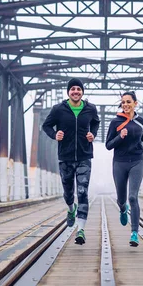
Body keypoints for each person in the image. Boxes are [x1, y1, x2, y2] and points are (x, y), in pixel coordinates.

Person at [42, 78, 100, 245]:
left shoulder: (90, 109)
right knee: (68, 193)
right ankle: (71, 209)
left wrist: (93, 134)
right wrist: (55, 135)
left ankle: (80, 230)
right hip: (65, 157)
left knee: (82, 192)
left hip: (84, 156)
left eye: (79, 89)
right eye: (73, 89)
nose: (76, 91)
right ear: (68, 92)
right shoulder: (58, 109)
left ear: (82, 92)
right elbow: (46, 126)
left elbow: (96, 123)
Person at [105, 91, 143, 247]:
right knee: (122, 200)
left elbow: (139, 135)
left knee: (133, 197)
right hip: (119, 163)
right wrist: (119, 137)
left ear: (135, 103)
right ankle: (123, 209)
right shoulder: (115, 122)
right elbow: (108, 145)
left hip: (137, 161)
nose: (126, 105)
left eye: (128, 102)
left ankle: (134, 233)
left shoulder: (142, 121)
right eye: (123, 102)